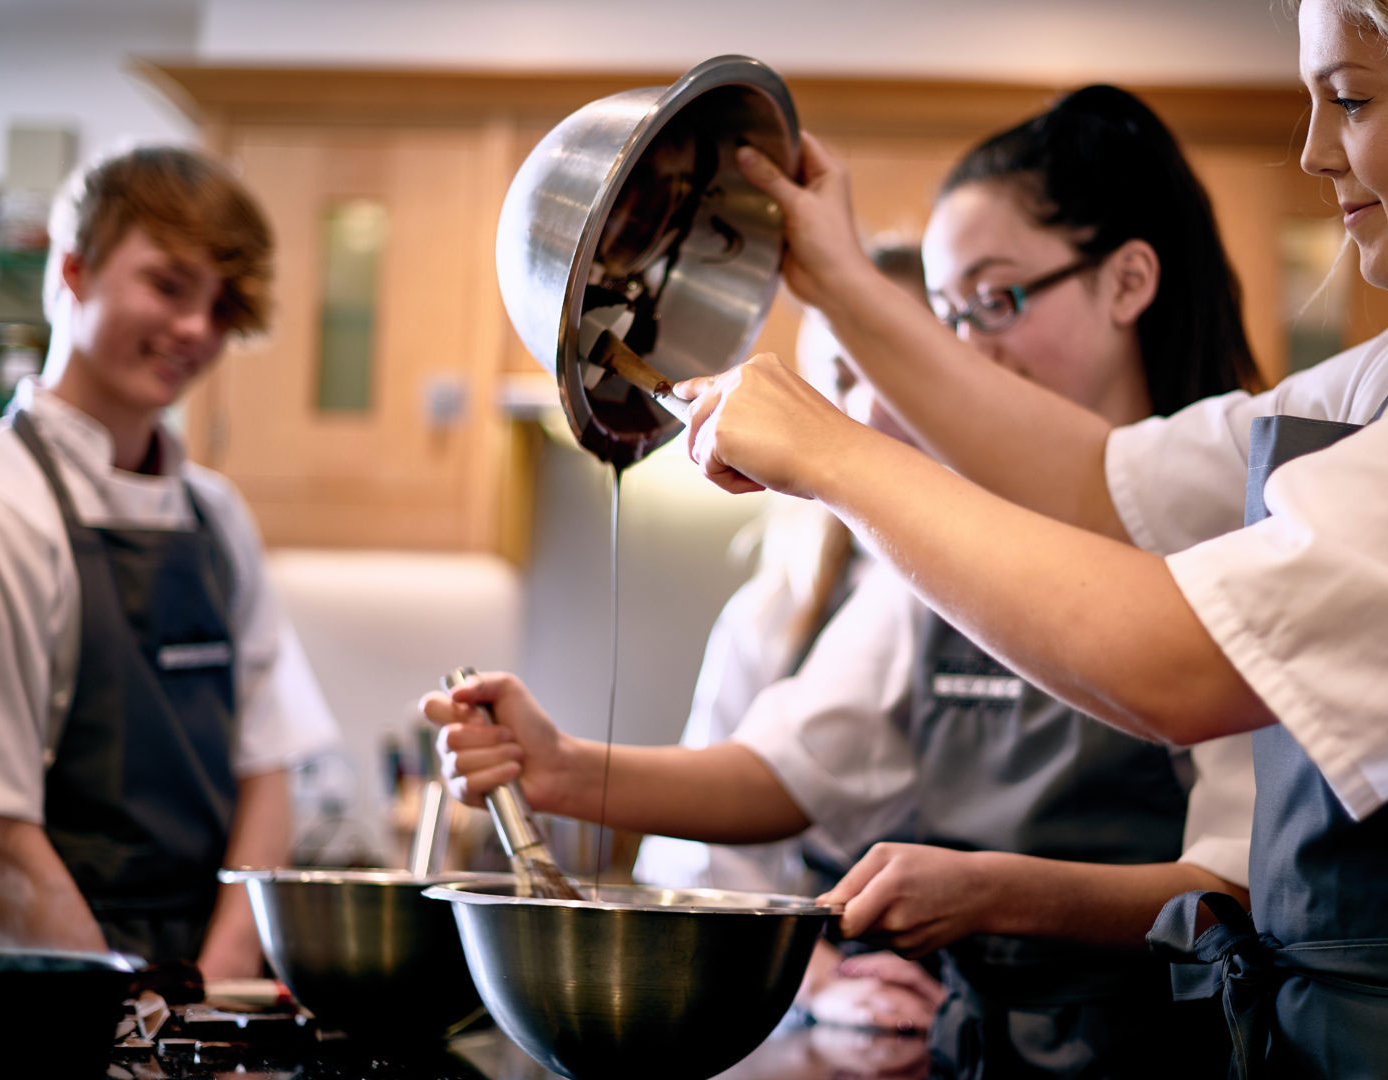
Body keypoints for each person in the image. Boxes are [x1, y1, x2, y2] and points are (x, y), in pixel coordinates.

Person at [687, 1, 1388, 1076]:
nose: (1312, 149)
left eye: (1349, 100)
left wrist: (835, 457)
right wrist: (830, 279)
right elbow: (1098, 482)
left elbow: (1178, 665)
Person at [431, 86, 1258, 1080]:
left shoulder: (1248, 522)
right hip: (978, 1052)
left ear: (1128, 283)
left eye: (992, 302)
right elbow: (788, 769)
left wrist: (1000, 891)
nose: (952, 358)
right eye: (948, 316)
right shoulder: (963, 536)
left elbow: (1245, 890)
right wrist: (562, 765)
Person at [0, 146, 339, 979]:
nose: (196, 329)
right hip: (56, 981)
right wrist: (134, 1026)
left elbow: (268, 769)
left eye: (220, 305)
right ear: (74, 270)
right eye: (167, 285)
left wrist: (216, 999)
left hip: (214, 994)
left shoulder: (217, 516)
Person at [631, 241, 948, 1038]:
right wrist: (816, 977)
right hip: (835, 1009)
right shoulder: (770, 614)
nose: (868, 411)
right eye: (839, 378)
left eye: (895, 372)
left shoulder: (1028, 575)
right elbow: (696, 860)